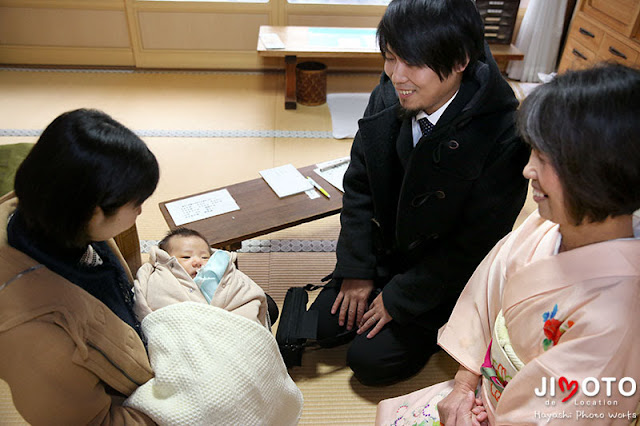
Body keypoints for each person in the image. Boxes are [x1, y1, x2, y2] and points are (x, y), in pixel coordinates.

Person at [376, 63, 640, 425]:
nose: (527, 170)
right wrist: (464, 386)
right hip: (481, 393)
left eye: (544, 159)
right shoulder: (548, 225)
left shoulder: (617, 323)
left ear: (598, 173)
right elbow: (484, 300)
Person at [309, 0, 530, 385]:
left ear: (460, 60)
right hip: (386, 250)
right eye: (391, 58)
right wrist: (357, 269)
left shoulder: (504, 131)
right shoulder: (389, 92)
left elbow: (477, 244)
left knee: (370, 362)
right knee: (320, 329)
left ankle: (438, 322)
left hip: (439, 275)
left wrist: (401, 298)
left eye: (412, 63)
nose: (397, 76)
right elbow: (359, 184)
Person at [0, 109, 159, 424]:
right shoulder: (37, 340)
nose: (142, 209)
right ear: (95, 212)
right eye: (136, 202)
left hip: (131, 348)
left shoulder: (51, 206)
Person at [133, 227, 271, 328]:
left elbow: (248, 294)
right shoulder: (161, 277)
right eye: (186, 257)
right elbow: (148, 304)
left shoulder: (224, 271)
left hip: (233, 330)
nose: (198, 262)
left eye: (205, 257)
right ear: (167, 258)